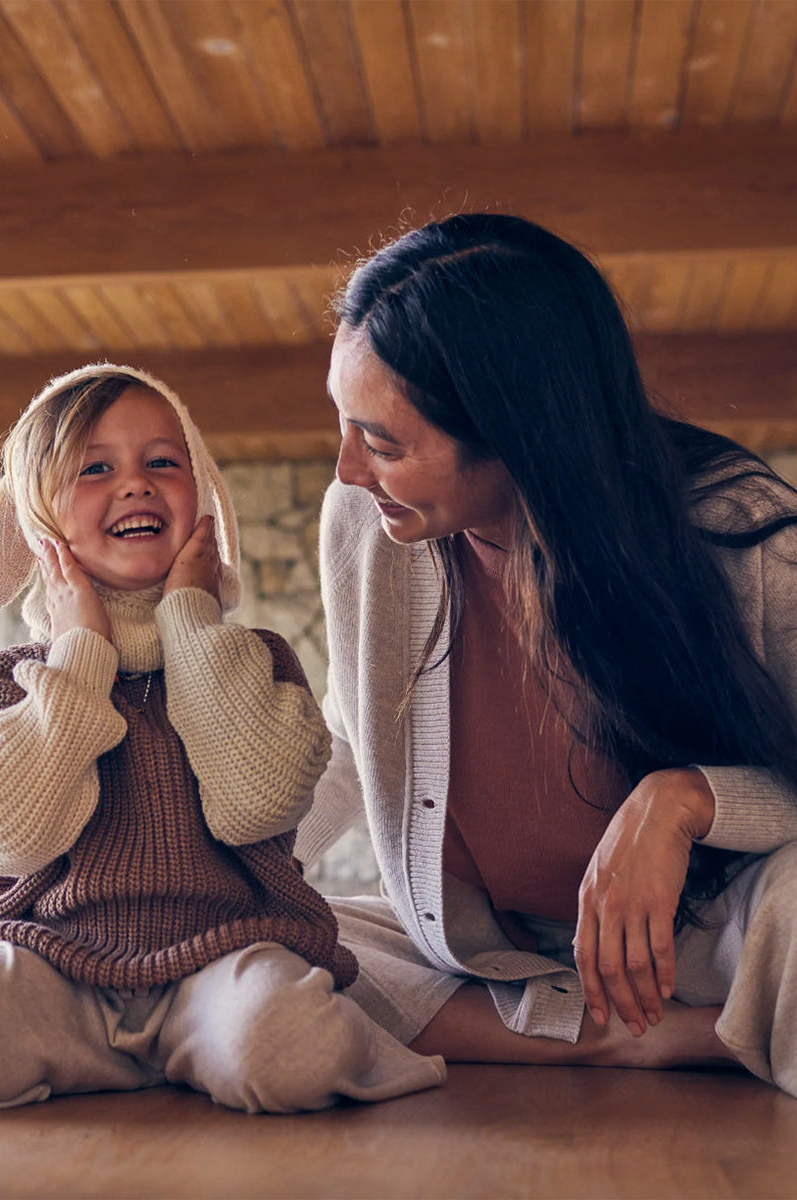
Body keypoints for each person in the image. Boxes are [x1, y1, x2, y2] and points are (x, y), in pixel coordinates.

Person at [296, 213, 797, 1097]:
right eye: (345, 425)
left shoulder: (734, 530)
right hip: (477, 962)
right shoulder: (368, 531)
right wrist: (213, 871)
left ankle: (660, 1019)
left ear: (517, 436)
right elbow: (350, 724)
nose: (345, 471)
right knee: (239, 944)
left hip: (709, 938)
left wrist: (682, 801)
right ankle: (638, 1040)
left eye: (381, 442)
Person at [0, 363, 444, 1111]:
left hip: (221, 961)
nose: (134, 484)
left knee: (293, 1044)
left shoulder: (257, 661)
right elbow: (7, 842)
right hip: (54, 971)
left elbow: (255, 807)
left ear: (203, 498)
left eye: (161, 462)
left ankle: (175, 1050)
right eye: (94, 468)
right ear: (39, 526)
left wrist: (192, 626)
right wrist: (78, 657)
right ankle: (141, 1057)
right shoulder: (7, 681)